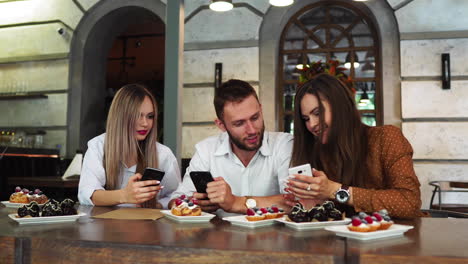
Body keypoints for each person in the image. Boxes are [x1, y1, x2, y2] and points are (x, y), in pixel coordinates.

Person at [284, 73, 423, 219]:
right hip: (345, 239)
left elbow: (409, 202)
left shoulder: (386, 138)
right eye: (306, 119)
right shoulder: (316, 152)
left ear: (341, 107)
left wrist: (336, 190)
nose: (311, 124)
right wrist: (315, 203)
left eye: (318, 113)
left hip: (401, 238)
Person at [169, 79, 293, 215]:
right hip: (219, 236)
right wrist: (196, 203)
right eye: (239, 123)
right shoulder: (206, 150)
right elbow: (174, 202)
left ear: (261, 109)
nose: (251, 130)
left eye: (255, 117)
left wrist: (235, 202)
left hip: (273, 236)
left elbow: (295, 202)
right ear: (221, 125)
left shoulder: (284, 145)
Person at [78, 84, 180, 208]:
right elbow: (87, 194)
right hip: (105, 225)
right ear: (121, 117)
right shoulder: (98, 146)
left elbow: (175, 195)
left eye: (150, 116)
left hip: (148, 225)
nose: (145, 123)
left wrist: (156, 205)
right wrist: (124, 196)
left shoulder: (163, 154)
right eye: (138, 115)